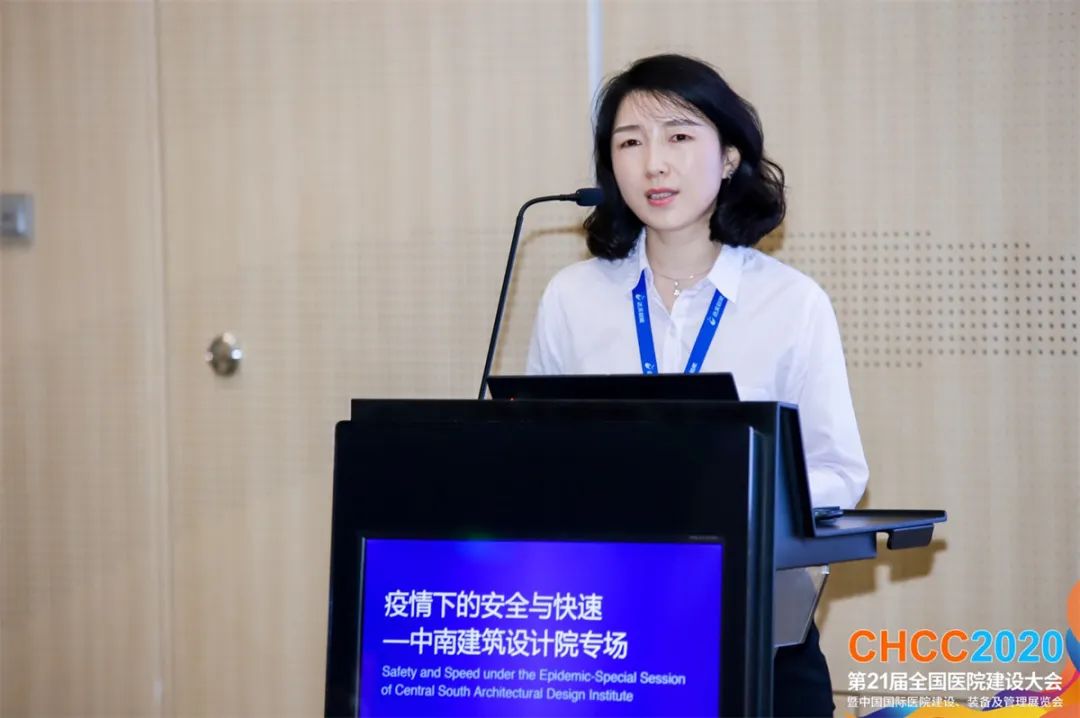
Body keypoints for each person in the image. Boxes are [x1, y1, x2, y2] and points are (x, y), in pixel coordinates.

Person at [526, 53, 869, 716]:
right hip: (607, 632)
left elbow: (839, 471)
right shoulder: (573, 297)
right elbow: (535, 452)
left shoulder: (791, 303)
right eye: (630, 143)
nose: (654, 164)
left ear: (730, 157)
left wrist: (732, 499)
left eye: (679, 136)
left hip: (757, 631)